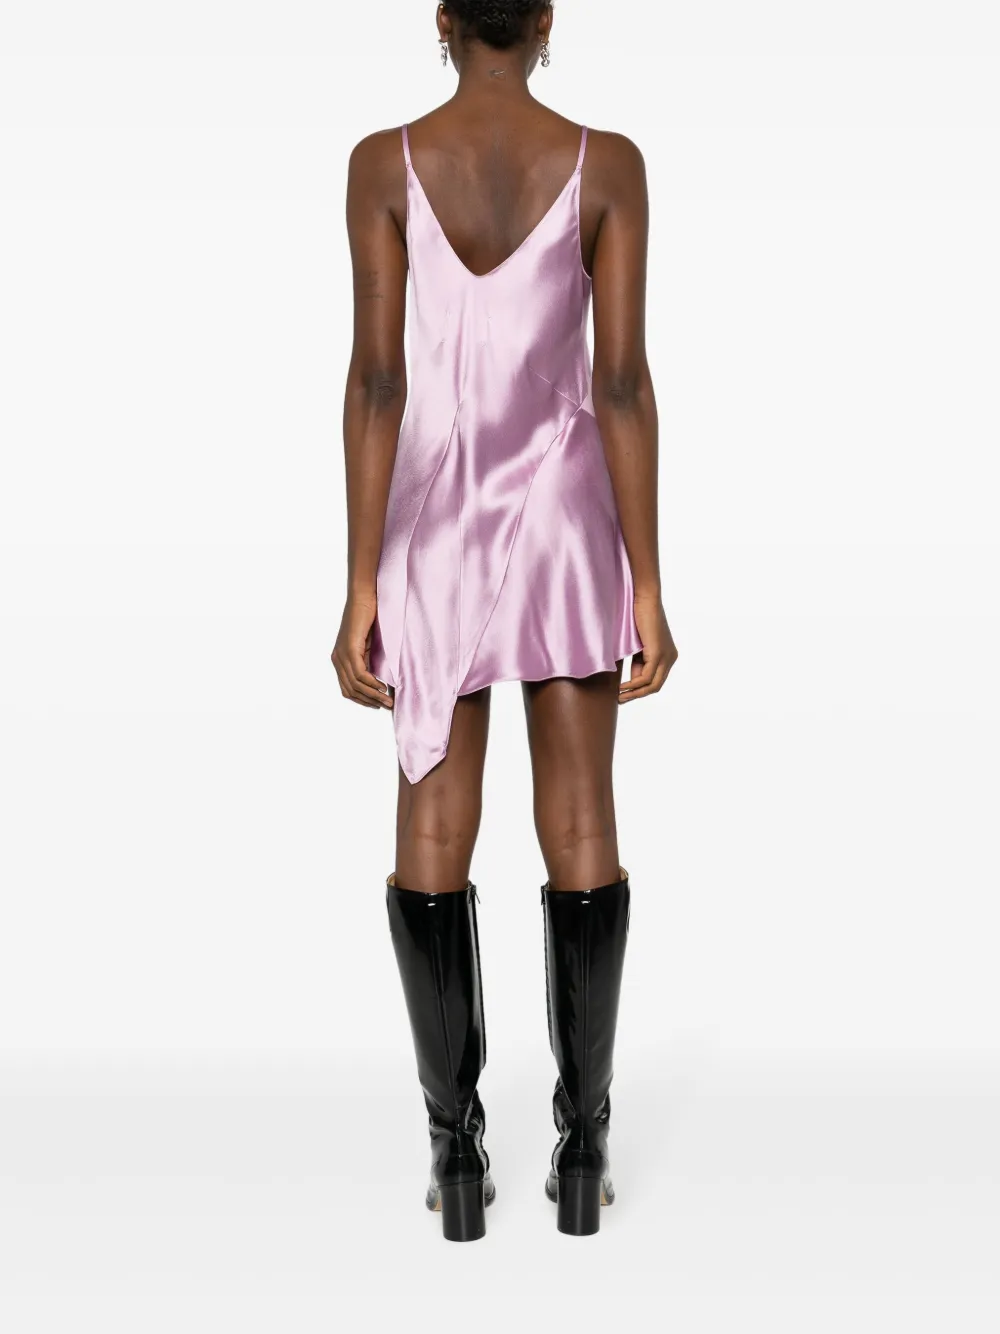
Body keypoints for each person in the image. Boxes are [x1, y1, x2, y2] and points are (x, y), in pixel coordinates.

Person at [331, 0, 678, 1241]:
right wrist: (646, 579)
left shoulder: (384, 164)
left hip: (435, 520)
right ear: (543, 21)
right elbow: (619, 382)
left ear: (442, 20)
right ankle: (582, 1149)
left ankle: (457, 1151)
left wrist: (361, 579)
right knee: (580, 817)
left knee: (434, 819)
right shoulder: (607, 165)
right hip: (566, 516)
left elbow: (380, 378)